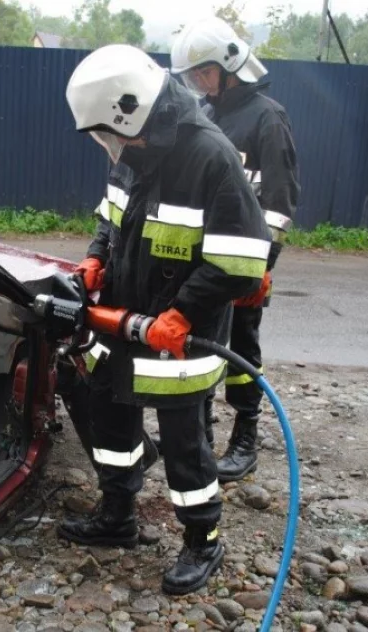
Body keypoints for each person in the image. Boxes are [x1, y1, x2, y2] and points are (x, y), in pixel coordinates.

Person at [57, 44, 272, 596]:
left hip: (182, 336)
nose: (111, 147)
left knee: (184, 441)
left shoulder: (211, 158)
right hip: (123, 325)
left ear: (135, 113)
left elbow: (241, 261)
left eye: (112, 133)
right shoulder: (137, 153)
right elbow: (110, 220)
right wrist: (95, 257)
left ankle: (204, 539)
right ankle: (117, 516)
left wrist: (180, 312)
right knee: (111, 423)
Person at [167, 17, 301, 483]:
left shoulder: (268, 117)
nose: (198, 83)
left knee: (242, 346)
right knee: (200, 341)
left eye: (203, 73)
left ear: (228, 65)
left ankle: (245, 437)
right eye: (192, 77)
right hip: (202, 259)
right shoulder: (203, 115)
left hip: (245, 258)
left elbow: (280, 203)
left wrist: (263, 267)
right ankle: (197, 430)